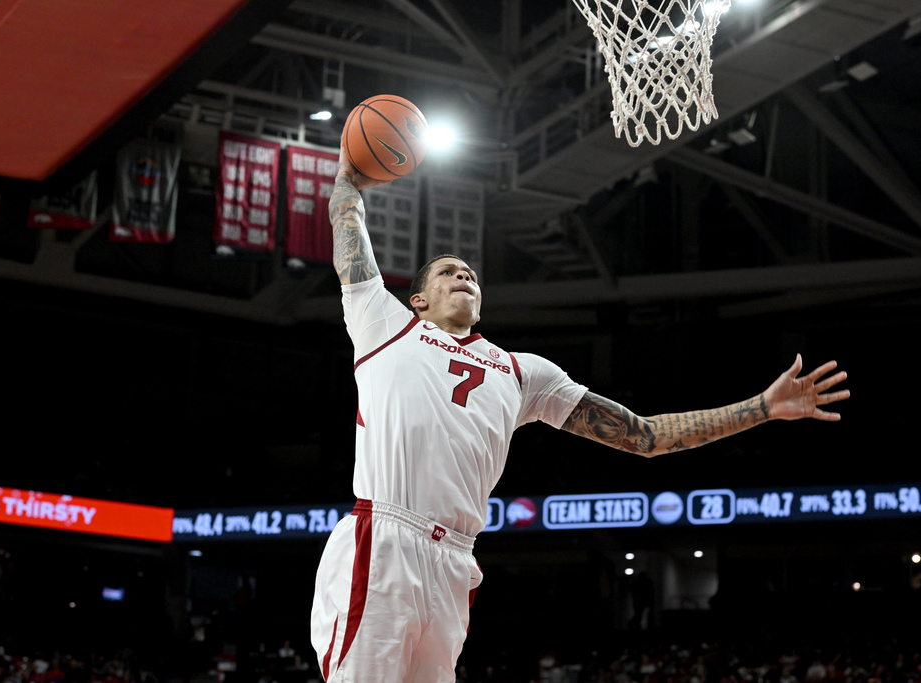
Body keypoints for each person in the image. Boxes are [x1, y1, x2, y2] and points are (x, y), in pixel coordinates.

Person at [310, 147, 850, 683]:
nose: (464, 276)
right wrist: (347, 181)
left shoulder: (522, 372)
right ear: (419, 299)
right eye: (449, 272)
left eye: (472, 273)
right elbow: (349, 235)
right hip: (383, 539)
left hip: (456, 558)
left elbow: (644, 436)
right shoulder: (385, 325)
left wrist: (761, 408)